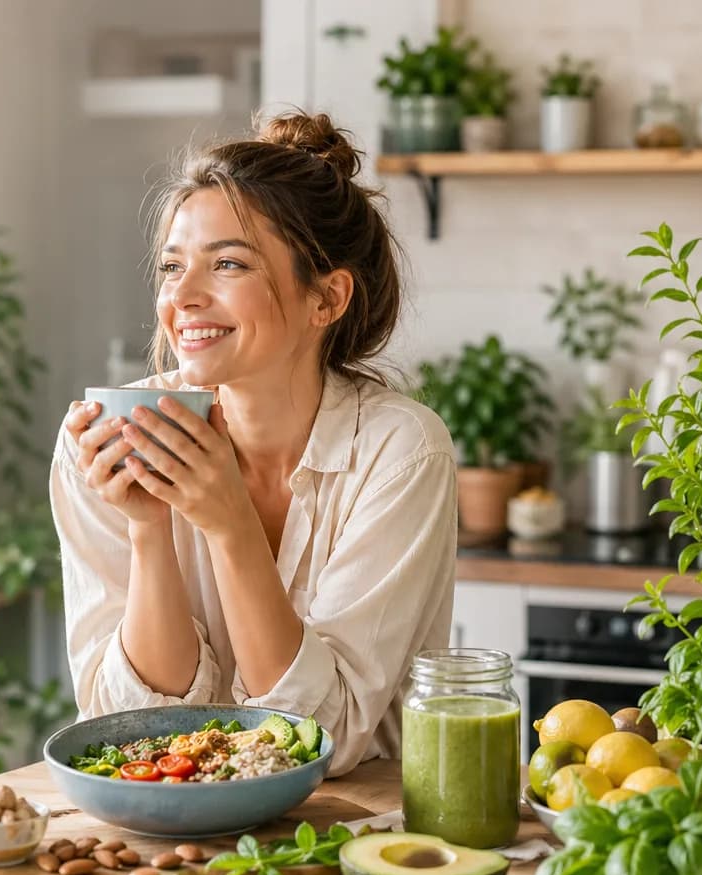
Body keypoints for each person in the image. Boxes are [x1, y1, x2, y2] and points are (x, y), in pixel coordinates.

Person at [50, 111, 456, 777]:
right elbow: (130, 731)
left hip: (352, 837)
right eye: (172, 266)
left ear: (326, 298)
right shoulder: (105, 441)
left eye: (228, 264)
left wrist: (229, 522)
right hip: (166, 837)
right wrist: (148, 526)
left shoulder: (400, 453)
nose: (182, 296)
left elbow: (323, 737)